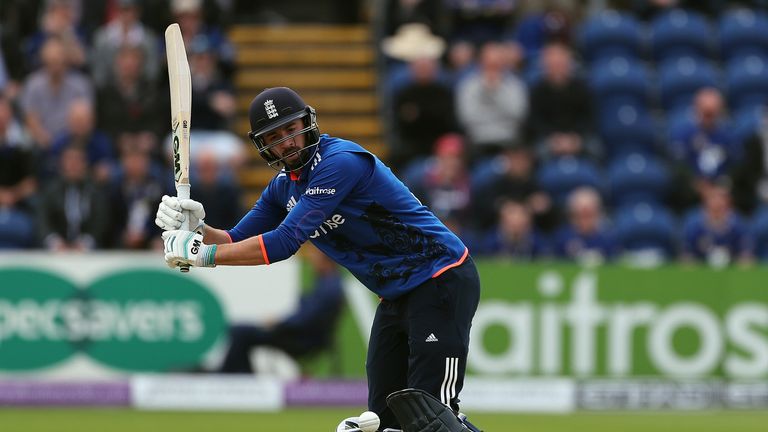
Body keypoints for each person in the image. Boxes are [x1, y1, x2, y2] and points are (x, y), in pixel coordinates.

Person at [156, 87, 482, 432]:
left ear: (307, 122)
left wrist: (199, 254)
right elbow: (235, 239)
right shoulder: (283, 187)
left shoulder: (339, 162)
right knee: (387, 419)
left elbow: (283, 242)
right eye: (275, 136)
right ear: (263, 144)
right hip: (397, 296)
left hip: (440, 276)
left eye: (291, 128)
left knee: (431, 415)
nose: (288, 141)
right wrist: (198, 228)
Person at [219, 246, 344, 374]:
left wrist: (278, 323)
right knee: (241, 332)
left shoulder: (329, 287)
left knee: (241, 333)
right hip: (299, 335)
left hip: (298, 338)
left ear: (325, 260)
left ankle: (226, 377)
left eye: (315, 258)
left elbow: (307, 318)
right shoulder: (330, 283)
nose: (312, 262)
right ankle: (238, 376)